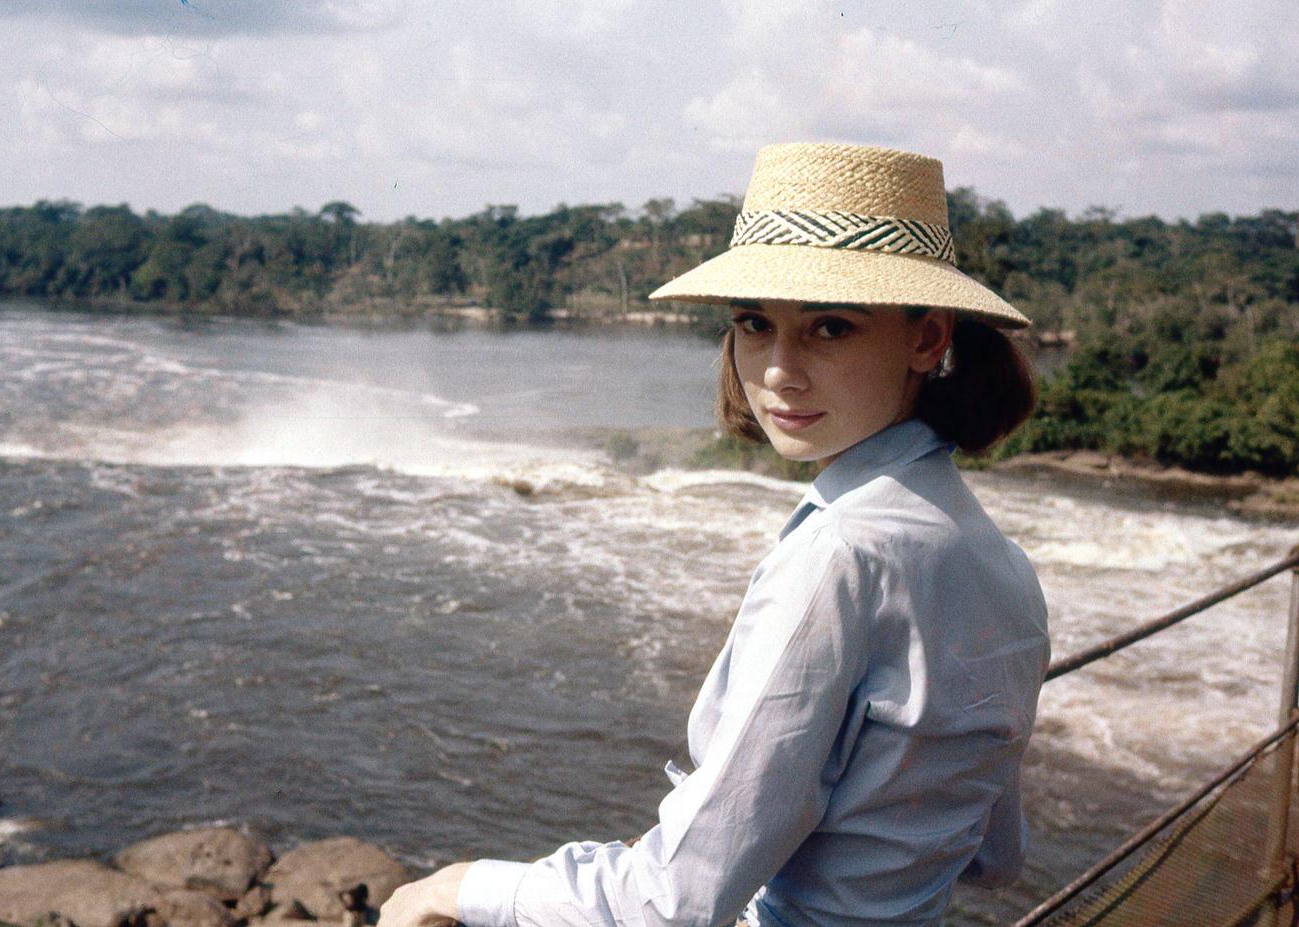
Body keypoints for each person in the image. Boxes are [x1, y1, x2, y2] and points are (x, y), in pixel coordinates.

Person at [379, 142, 1051, 927]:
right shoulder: (1000, 561)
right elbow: (996, 856)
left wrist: (460, 884)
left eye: (830, 327)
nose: (777, 371)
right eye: (755, 324)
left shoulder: (841, 556)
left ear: (928, 338)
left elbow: (674, 903)